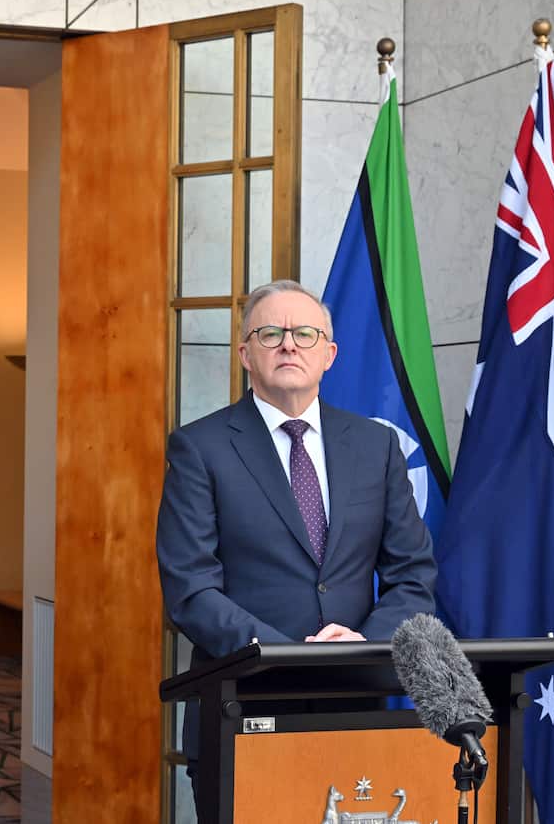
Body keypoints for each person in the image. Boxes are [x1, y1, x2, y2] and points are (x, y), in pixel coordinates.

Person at [154, 280, 437, 776]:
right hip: (242, 704)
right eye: (270, 333)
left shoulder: (376, 446)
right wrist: (282, 654)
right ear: (245, 353)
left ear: (329, 354)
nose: (288, 343)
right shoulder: (199, 448)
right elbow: (191, 589)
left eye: (305, 334)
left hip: (356, 705)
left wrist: (364, 645)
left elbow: (413, 575)